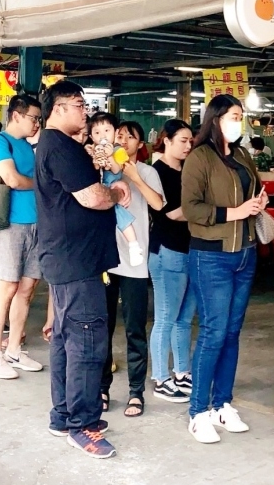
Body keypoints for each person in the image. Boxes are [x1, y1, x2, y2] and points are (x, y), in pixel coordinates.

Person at [36, 80, 128, 458]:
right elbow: (92, 197)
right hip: (77, 261)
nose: (85, 111)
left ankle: (63, 414)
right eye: (78, 104)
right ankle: (83, 423)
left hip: (68, 258)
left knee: (66, 339)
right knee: (87, 342)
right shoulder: (59, 147)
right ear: (58, 109)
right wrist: (118, 193)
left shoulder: (60, 146)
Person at [181, 95, 268, 443]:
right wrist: (235, 212)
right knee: (213, 332)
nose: (239, 121)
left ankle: (222, 403)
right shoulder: (199, 158)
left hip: (244, 253)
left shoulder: (242, 155)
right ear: (216, 119)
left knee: (232, 332)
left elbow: (254, 188)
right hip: (211, 255)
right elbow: (192, 208)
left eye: (241, 116)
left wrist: (258, 201)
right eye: (234, 115)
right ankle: (198, 411)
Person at [101, 120, 166, 418]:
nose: (123, 139)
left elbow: (158, 204)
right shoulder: (102, 166)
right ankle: (102, 388)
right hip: (105, 259)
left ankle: (136, 392)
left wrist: (134, 176)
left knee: (135, 330)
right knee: (103, 328)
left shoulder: (149, 171)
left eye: (130, 137)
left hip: (135, 263)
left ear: (140, 145)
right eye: (119, 135)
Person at [0, 95, 44, 380]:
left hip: (35, 224)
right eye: (33, 117)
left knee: (27, 289)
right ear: (16, 115)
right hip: (10, 225)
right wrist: (42, 185)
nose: (37, 123)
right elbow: (12, 179)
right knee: (7, 287)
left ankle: (15, 349)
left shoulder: (27, 147)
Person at [148, 119, 196, 403]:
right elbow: (169, 213)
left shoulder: (187, 170)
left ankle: (181, 372)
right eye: (183, 140)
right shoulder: (157, 173)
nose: (188, 145)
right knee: (166, 317)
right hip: (167, 251)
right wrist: (205, 211)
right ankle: (161, 378)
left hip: (189, 250)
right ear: (166, 140)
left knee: (184, 318)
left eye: (191, 141)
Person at [86, 113, 145, 267]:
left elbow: (116, 168)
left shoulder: (118, 150)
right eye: (97, 132)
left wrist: (108, 155)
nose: (102, 135)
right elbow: (94, 170)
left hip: (111, 187)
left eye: (107, 130)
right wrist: (95, 157)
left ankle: (133, 245)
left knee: (119, 213)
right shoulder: (92, 148)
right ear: (91, 136)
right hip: (100, 190)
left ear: (115, 132)